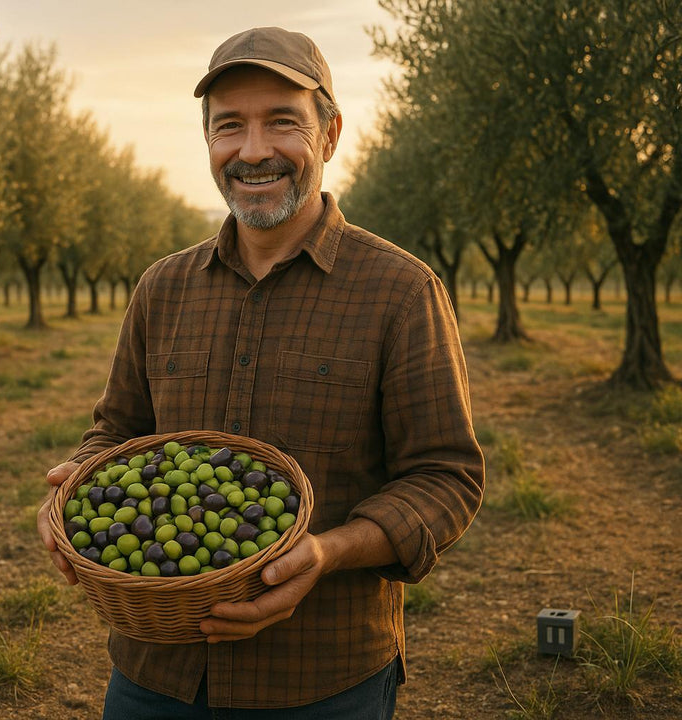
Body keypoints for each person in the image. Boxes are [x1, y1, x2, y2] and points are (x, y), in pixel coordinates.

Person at [36, 26, 485, 719]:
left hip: (323, 681)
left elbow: (446, 477)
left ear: (330, 134)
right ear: (208, 142)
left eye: (282, 122)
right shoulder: (163, 288)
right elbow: (118, 432)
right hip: (156, 677)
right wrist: (79, 482)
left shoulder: (401, 292)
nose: (252, 152)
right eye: (229, 127)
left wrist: (328, 552)